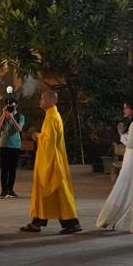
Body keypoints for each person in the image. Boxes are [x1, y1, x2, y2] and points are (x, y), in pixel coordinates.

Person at [21, 89, 82, 234]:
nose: (40, 101)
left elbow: (49, 142)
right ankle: (37, 222)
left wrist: (37, 136)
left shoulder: (52, 117)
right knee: (44, 193)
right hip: (50, 159)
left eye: (43, 99)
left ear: (51, 101)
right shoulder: (51, 115)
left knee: (59, 193)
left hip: (53, 162)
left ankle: (72, 223)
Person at [95, 97, 133, 232]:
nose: (124, 110)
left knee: (130, 190)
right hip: (132, 158)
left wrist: (121, 134)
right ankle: (113, 220)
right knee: (127, 189)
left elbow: (131, 144)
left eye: (126, 107)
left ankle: (120, 221)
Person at [0, 97, 26, 198]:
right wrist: (3, 115)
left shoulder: (20, 116)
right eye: (8, 105)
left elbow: (19, 129)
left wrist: (12, 118)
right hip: (4, 145)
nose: (10, 107)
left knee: (12, 169)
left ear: (16, 105)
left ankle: (10, 189)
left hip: (15, 145)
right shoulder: (3, 116)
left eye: (12, 105)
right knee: (4, 168)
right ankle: (4, 191)